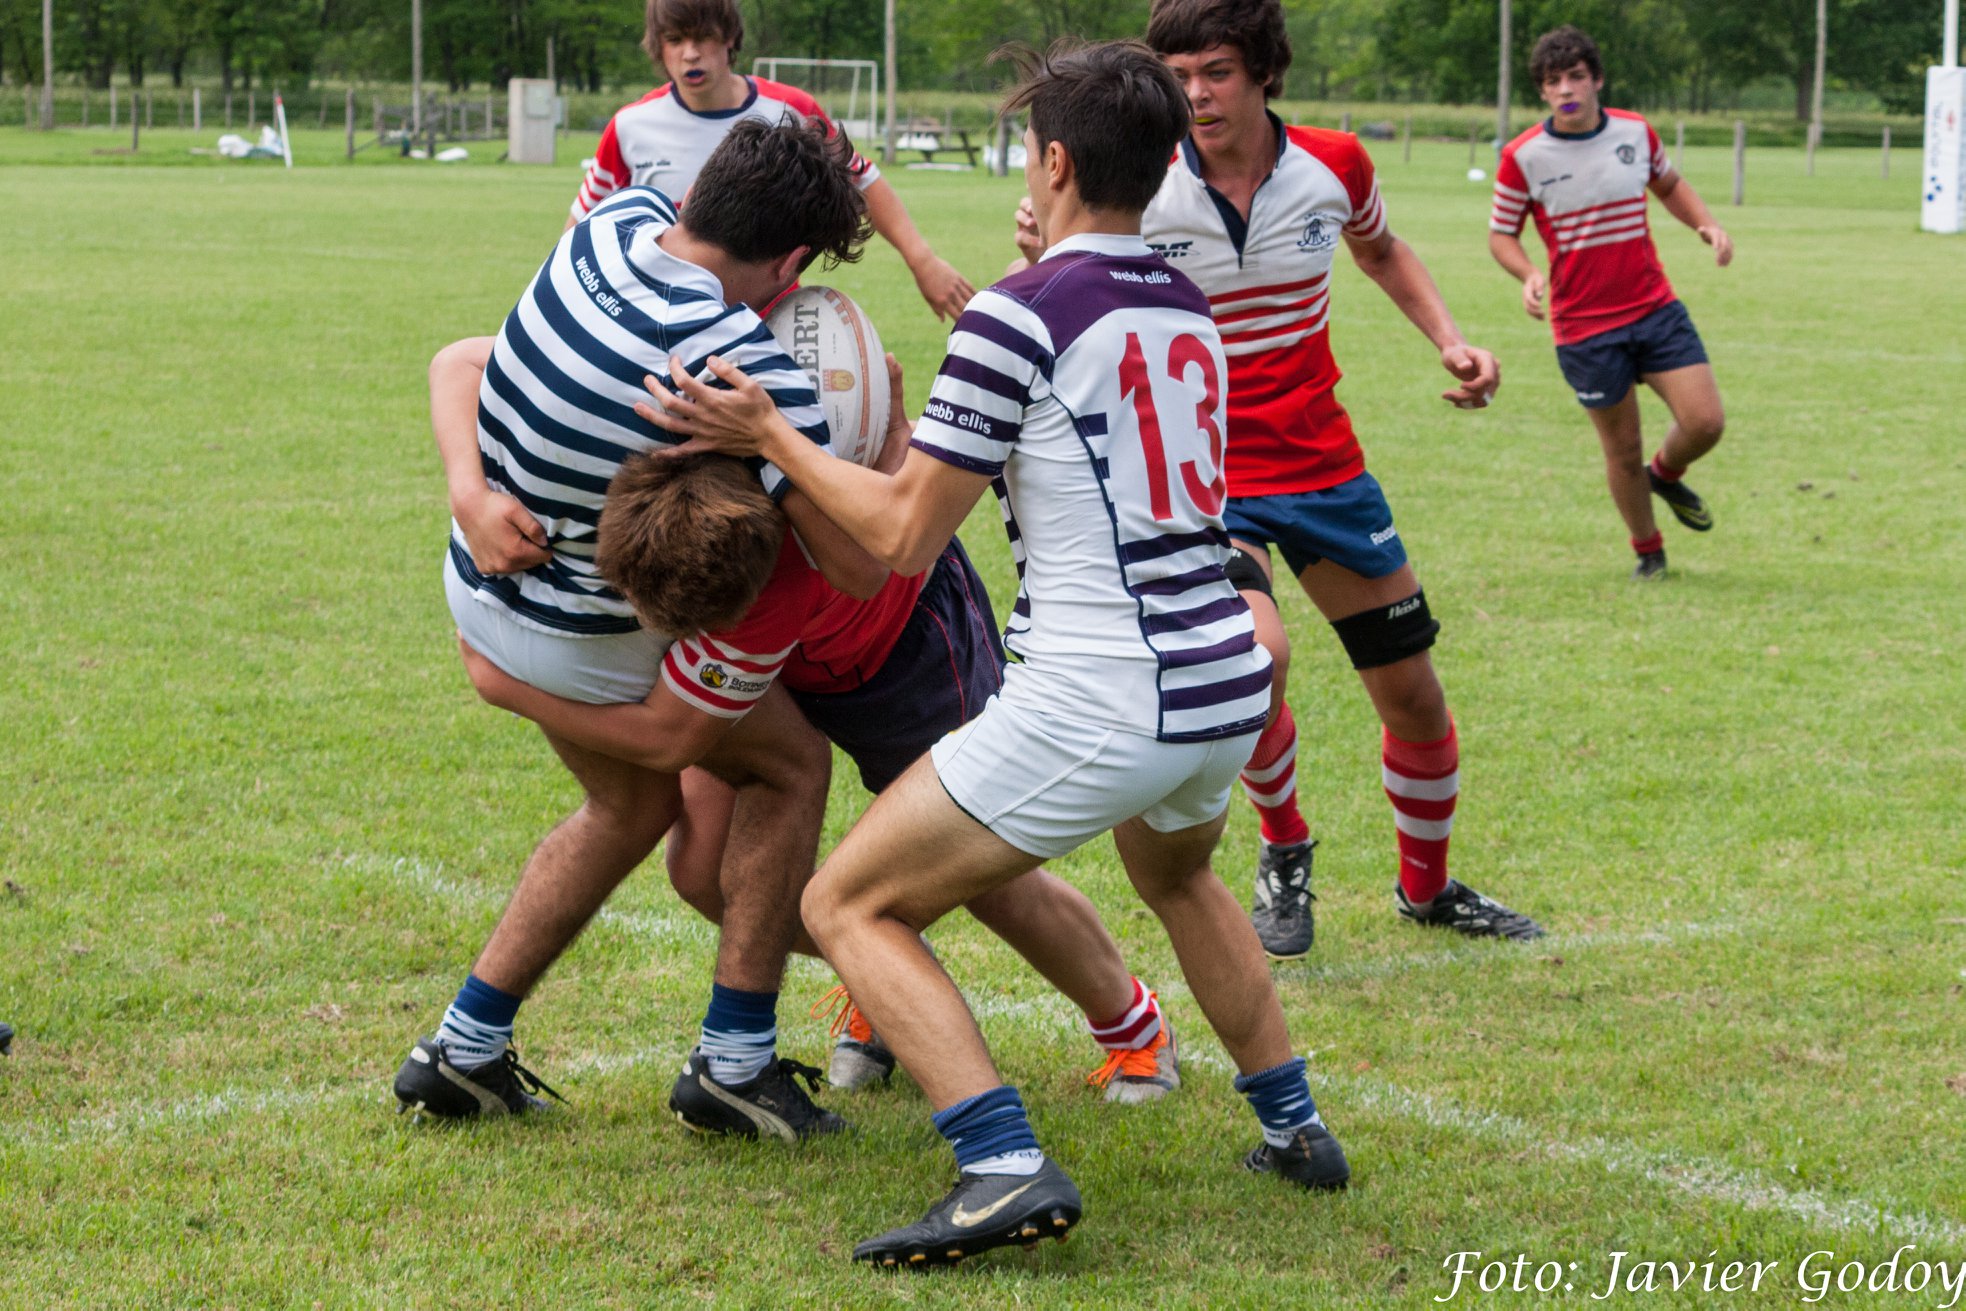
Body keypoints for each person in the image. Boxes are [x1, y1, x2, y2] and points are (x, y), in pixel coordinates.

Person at [639, 39, 1351, 1270]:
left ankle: (1000, 1162)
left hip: (1101, 691)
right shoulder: (1185, 300)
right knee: (1181, 882)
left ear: (1056, 162)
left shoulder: (1018, 315)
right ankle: (1297, 1132)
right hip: (1224, 677)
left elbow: (902, 537)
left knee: (844, 900)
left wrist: (769, 432)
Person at [1014, 0, 1542, 955]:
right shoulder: (1139, 184)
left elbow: (1381, 249)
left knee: (1414, 697)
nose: (1196, 94)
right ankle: (1285, 849)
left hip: (1325, 464)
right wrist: (1040, 235)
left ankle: (1426, 891)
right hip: (1207, 480)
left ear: (1263, 73)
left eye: (1215, 71)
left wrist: (1453, 339)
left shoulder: (1334, 165)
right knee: (1262, 657)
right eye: (1176, 76)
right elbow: (1066, 276)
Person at [392, 119, 879, 1137]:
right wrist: (812, 435)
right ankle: (736, 1062)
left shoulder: (610, 225)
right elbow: (856, 564)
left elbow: (465, 359)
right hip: (579, 638)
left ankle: (464, 1048)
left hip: (481, 578)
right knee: (787, 767)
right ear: (789, 261)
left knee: (626, 809)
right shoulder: (737, 363)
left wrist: (468, 491)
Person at [462, 429, 1184, 1108]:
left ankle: (1134, 1027)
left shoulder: (769, 599)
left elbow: (666, 737)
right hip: (778, 659)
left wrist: (504, 683)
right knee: (703, 871)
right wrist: (471, 493)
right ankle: (881, 973)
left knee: (989, 880)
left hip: (906, 647)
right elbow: (464, 361)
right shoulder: (659, 382)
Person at [1489, 25, 1731, 580]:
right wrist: (1527, 272)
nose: (1566, 89)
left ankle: (1666, 475)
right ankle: (1649, 552)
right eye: (1553, 81)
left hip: (1654, 307)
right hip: (1584, 326)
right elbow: (1501, 234)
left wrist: (1706, 224)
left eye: (1576, 76)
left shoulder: (1635, 132)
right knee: (1622, 451)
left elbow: (1668, 184)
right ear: (1543, 92)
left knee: (1706, 421)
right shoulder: (1523, 156)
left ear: (1597, 80)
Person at [570, 0, 975, 322]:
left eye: (703, 37)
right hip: (666, 327)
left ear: (730, 38)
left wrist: (922, 260)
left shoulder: (791, 110)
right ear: (658, 46)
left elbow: (862, 180)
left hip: (773, 325)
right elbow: (577, 236)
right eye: (675, 39)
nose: (690, 53)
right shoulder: (630, 126)